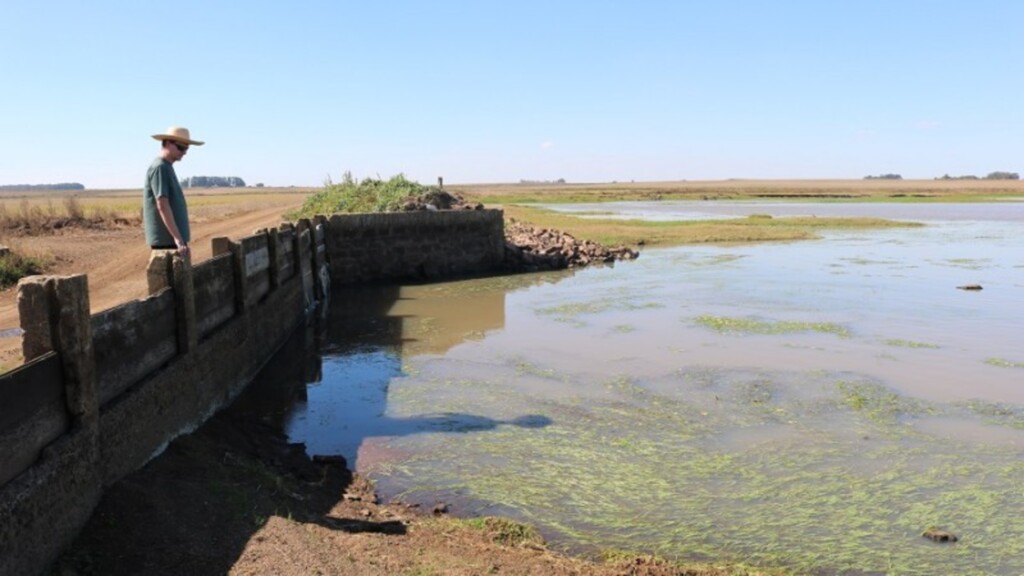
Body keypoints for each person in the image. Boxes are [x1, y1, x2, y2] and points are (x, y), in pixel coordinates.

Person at [144, 126, 204, 257]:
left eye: (186, 148)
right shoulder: (160, 167)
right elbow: (162, 204)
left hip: (171, 241)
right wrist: (178, 239)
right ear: (167, 143)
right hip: (166, 242)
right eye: (180, 147)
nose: (184, 152)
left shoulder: (166, 166)